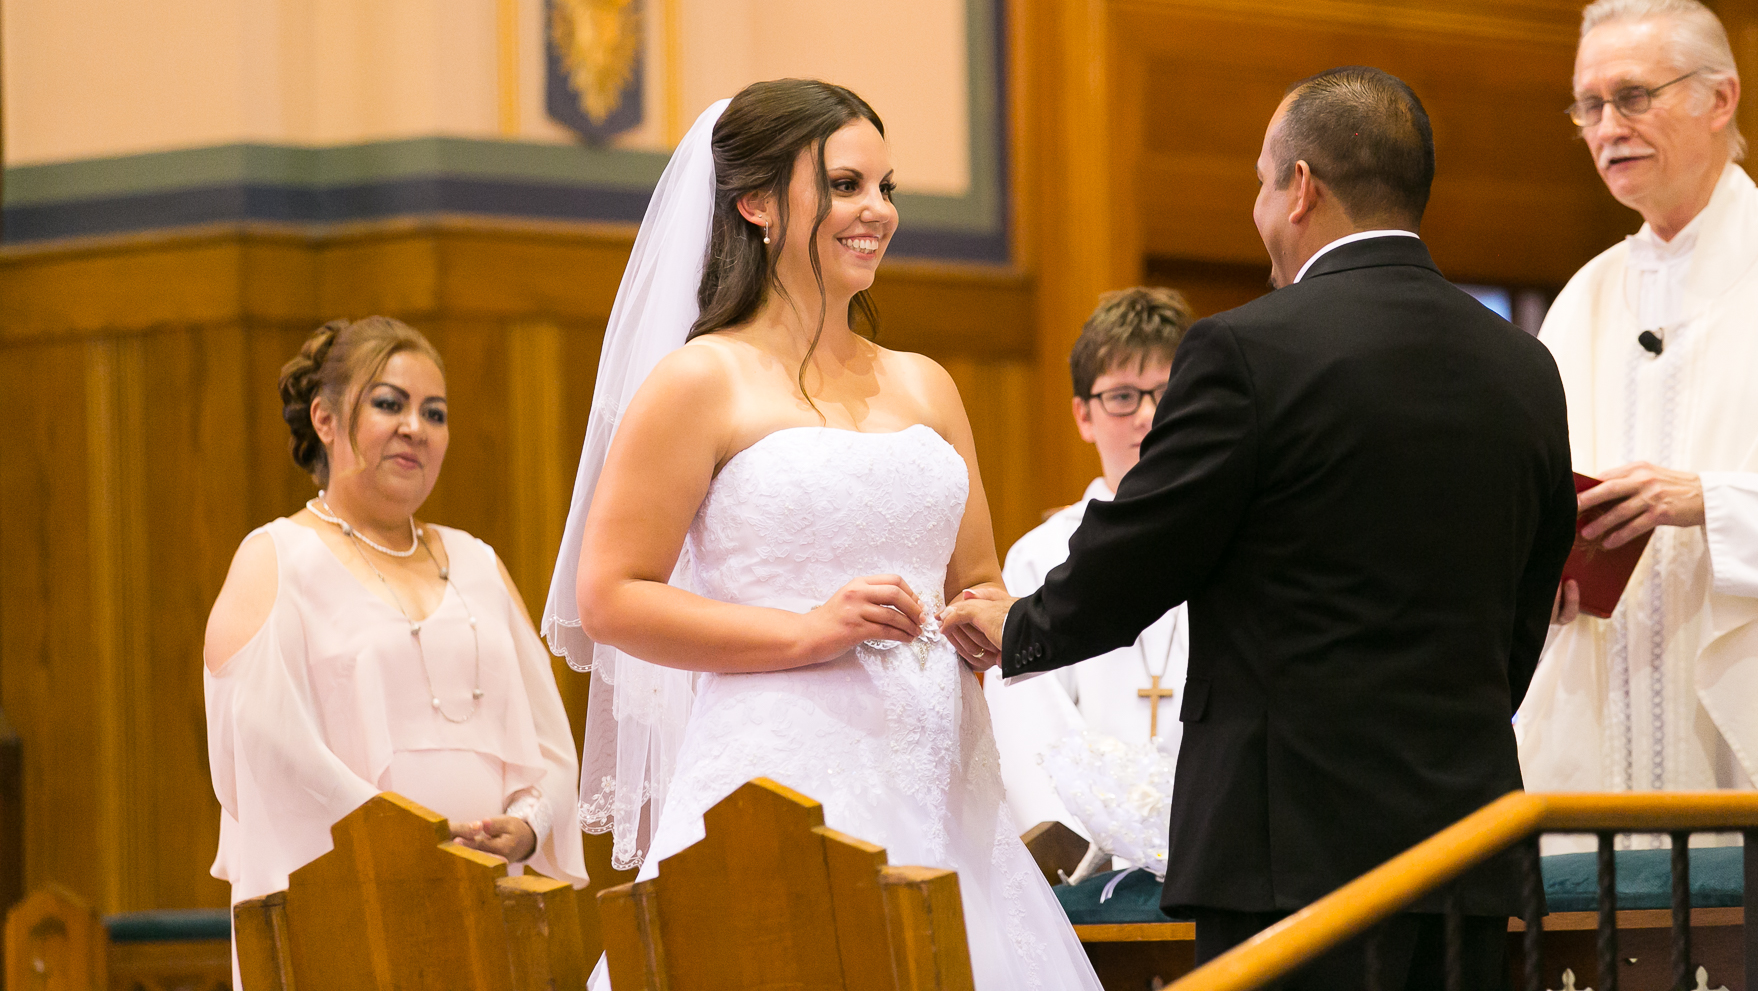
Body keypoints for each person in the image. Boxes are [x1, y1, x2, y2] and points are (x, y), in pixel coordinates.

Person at [944, 67, 1576, 991]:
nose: (1259, 208)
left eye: (1260, 182)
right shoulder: (1525, 366)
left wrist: (1023, 628)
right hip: (1464, 850)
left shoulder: (1249, 349)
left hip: (1290, 855)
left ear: (1302, 187)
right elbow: (1528, 601)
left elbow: (1143, 547)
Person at [538, 80, 1102, 991]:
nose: (875, 212)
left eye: (887, 188)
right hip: (780, 779)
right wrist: (811, 631)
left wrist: (988, 616)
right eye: (844, 185)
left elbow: (982, 576)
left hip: (944, 786)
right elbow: (611, 597)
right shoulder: (702, 382)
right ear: (756, 204)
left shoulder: (927, 385)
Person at [1512, 0, 1758, 802]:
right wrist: (1541, 574)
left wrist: (1711, 501)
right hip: (1601, 723)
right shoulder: (1583, 300)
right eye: (1590, 105)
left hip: (1756, 730)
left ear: (1722, 98)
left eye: (1634, 96)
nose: (1607, 127)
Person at [204, 317, 586, 920]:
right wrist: (412, 838)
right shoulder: (275, 557)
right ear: (324, 420)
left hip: (485, 900)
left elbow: (551, 744)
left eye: (435, 413)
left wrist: (529, 824)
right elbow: (267, 750)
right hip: (344, 900)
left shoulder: (478, 563)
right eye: (390, 404)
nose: (416, 428)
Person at [984, 287, 1194, 841]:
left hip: (1210, 842)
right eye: (1123, 396)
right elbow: (1034, 729)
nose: (1148, 417)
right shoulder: (1042, 557)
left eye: (1167, 394)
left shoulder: (1230, 542)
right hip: (1090, 865)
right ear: (1083, 415)